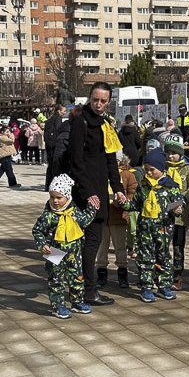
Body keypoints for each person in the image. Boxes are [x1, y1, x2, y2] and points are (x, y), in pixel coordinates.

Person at [68, 82, 127, 306]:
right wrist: (87, 192)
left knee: (92, 241)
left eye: (103, 101)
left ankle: (84, 287)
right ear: (89, 98)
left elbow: (111, 160)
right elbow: (75, 162)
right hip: (85, 192)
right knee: (86, 241)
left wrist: (118, 189)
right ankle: (88, 290)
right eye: (95, 99)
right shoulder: (80, 122)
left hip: (100, 191)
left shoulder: (106, 124)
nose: (99, 104)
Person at [32, 175, 101, 319]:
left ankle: (77, 302)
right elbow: (37, 230)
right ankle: (58, 306)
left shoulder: (74, 212)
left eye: (59, 197)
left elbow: (85, 220)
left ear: (67, 197)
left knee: (77, 278)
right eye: (52, 197)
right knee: (56, 280)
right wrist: (42, 245)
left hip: (74, 253)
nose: (55, 201)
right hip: (54, 252)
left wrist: (92, 207)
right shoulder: (48, 216)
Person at [124, 150, 183, 302]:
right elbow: (135, 204)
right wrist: (123, 203)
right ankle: (146, 287)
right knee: (145, 258)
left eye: (152, 169)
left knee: (163, 256)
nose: (149, 172)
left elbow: (177, 205)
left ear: (161, 168)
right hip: (144, 228)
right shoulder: (143, 185)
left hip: (163, 228)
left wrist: (177, 210)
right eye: (147, 169)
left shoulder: (171, 186)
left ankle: (164, 286)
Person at [163, 134, 189, 288]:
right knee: (162, 245)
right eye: (168, 152)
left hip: (180, 215)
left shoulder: (187, 167)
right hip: (163, 215)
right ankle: (161, 272)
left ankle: (177, 275)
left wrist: (183, 198)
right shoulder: (161, 166)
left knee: (178, 246)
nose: (171, 155)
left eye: (174, 153)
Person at [97, 152, 138, 289]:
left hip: (118, 217)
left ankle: (122, 273)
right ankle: (101, 272)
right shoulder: (101, 173)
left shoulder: (127, 175)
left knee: (120, 247)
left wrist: (124, 201)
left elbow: (133, 192)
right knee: (102, 247)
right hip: (102, 217)